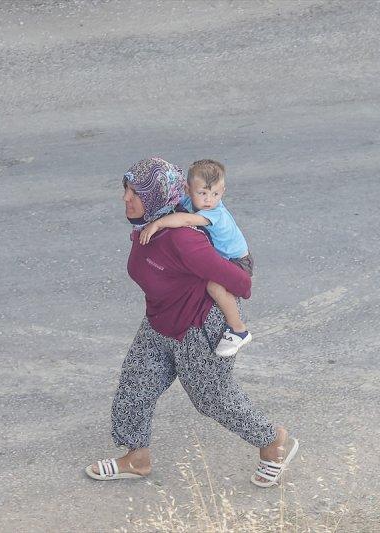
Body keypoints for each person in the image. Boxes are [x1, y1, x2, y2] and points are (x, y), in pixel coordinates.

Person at [85, 157, 298, 488]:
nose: (127, 199)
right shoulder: (148, 224)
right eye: (125, 190)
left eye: (136, 193)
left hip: (198, 327)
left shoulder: (184, 238)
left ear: (156, 197)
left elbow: (241, 284)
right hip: (159, 321)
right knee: (135, 385)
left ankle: (273, 442)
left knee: (211, 398)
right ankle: (136, 457)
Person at [139, 159, 253, 357]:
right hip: (221, 257)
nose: (209, 200)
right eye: (203, 193)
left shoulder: (215, 213)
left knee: (213, 286)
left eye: (215, 194)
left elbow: (184, 219)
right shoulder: (188, 202)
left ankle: (238, 329)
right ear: (187, 189)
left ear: (223, 191)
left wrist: (156, 225)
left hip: (237, 261)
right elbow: (176, 208)